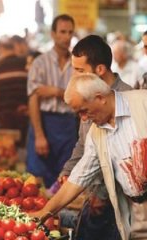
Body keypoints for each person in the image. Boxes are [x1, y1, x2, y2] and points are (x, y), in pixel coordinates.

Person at [32, 72, 147, 240]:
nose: (84, 119)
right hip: (137, 211)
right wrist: (44, 212)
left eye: (84, 111)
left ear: (100, 98)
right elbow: (79, 177)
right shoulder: (96, 133)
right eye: (79, 114)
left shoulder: (142, 102)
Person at [59, 34, 132, 240]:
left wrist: (100, 193)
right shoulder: (85, 95)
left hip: (119, 202)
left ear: (99, 69)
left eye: (80, 70)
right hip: (93, 193)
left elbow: (122, 158)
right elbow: (84, 144)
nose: (75, 76)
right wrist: (68, 170)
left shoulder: (126, 100)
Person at [26, 14, 78, 188]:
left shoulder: (77, 64)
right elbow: (33, 99)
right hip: (44, 122)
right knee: (38, 180)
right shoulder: (40, 63)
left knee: (65, 178)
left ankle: (62, 216)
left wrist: (56, 92)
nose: (67, 37)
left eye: (70, 32)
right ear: (53, 34)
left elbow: (80, 98)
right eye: (62, 32)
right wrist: (39, 135)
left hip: (69, 125)